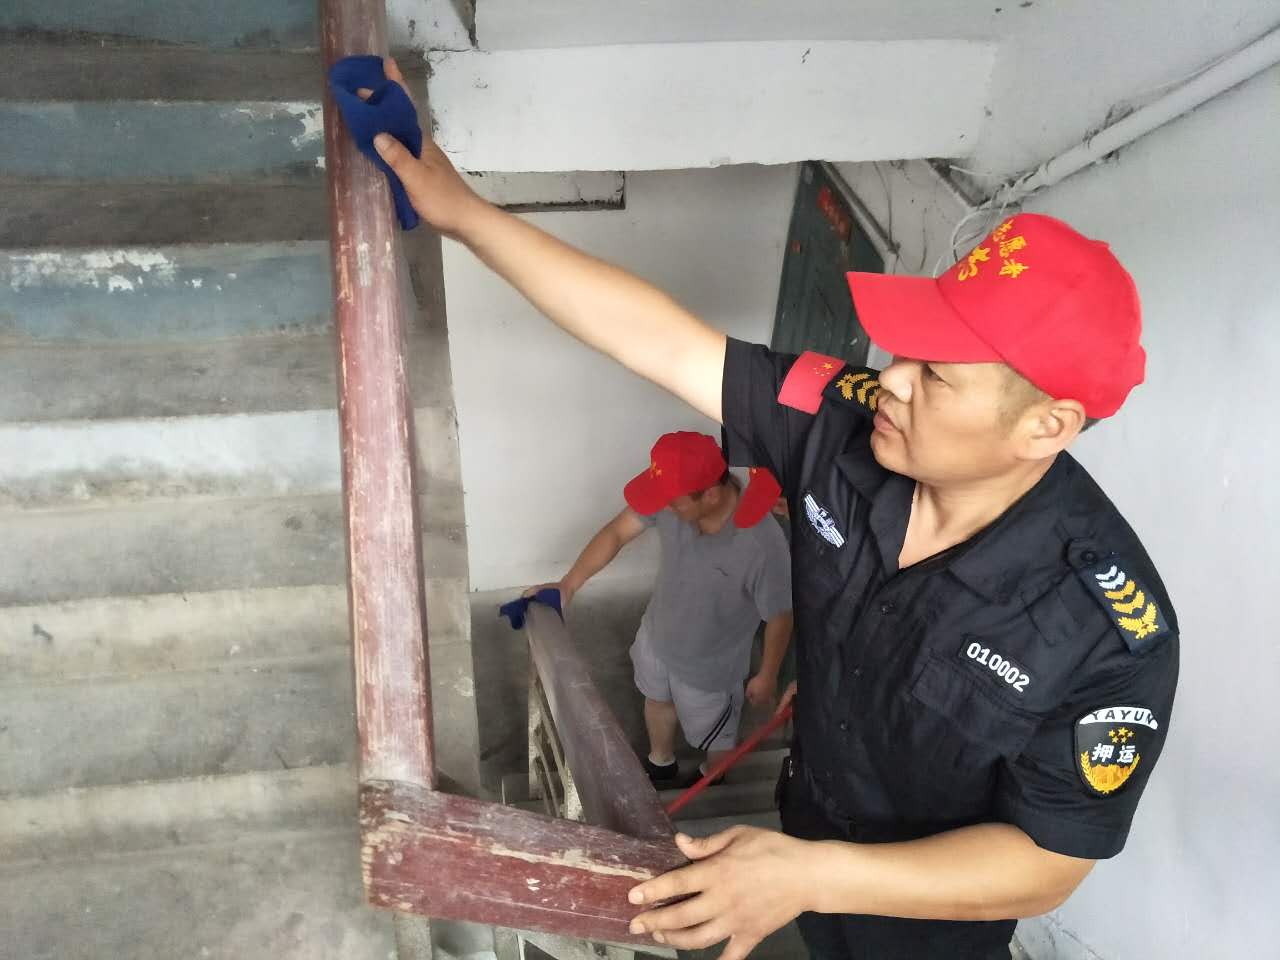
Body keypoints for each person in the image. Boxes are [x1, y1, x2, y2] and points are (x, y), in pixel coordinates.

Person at [368, 59, 1178, 960]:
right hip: (805, 820)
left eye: (936, 376)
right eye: (906, 352)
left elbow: (1049, 863)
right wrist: (465, 214)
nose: (891, 381)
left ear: (1046, 426)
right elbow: (665, 341)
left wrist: (811, 876)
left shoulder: (1104, 631)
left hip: (924, 929)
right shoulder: (842, 424)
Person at [533, 431, 793, 785]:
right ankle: (661, 762)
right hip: (656, 639)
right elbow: (617, 533)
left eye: (673, 503)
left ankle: (712, 778)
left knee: (716, 737)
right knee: (656, 700)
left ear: (711, 495)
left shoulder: (762, 545)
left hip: (710, 671)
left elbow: (780, 615)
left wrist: (768, 673)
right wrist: (568, 585)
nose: (662, 508)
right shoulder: (673, 498)